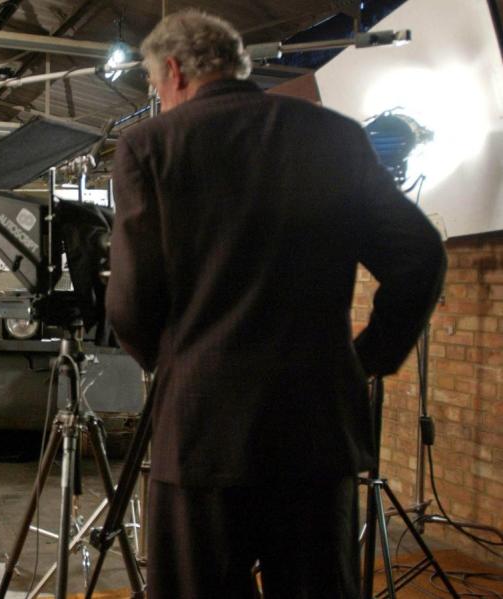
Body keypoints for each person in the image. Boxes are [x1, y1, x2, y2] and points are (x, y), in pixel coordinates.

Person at [106, 9, 446, 599]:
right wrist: (364, 358)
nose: (159, 97)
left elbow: (133, 301)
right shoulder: (335, 136)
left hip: (202, 432)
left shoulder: (150, 146)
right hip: (315, 429)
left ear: (173, 71)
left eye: (155, 87)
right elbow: (419, 258)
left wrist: (175, 364)